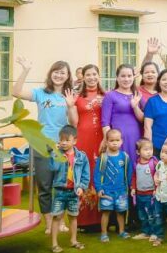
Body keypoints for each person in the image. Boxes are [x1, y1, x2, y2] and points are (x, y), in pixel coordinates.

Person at [12, 57, 76, 234]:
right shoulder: (41, 93)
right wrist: (25, 70)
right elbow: (16, 92)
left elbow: (74, 122)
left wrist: (71, 106)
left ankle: (60, 222)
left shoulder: (70, 95)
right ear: (51, 73)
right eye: (56, 71)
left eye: (63, 72)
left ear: (67, 76)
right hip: (41, 145)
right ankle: (49, 224)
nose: (59, 75)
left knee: (62, 186)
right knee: (44, 186)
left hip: (62, 146)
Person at [71, 64, 105, 227]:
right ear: (82, 77)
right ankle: (84, 219)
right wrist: (70, 105)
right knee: (85, 172)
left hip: (102, 139)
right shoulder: (77, 96)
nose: (92, 77)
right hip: (84, 138)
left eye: (94, 74)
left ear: (99, 76)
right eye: (88, 75)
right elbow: (73, 122)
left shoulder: (107, 95)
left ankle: (103, 218)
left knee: (102, 172)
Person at [48, 125, 89, 253]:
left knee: (73, 217)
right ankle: (54, 244)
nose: (64, 143)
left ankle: (73, 240)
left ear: (74, 141)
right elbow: (52, 169)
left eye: (67, 140)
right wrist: (54, 153)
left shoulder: (82, 157)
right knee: (57, 217)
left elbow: (85, 175)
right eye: (61, 140)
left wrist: (82, 187)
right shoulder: (57, 155)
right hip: (60, 191)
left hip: (73, 192)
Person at [102, 64, 144, 170]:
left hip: (135, 136)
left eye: (129, 76)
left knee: (134, 165)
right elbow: (105, 122)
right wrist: (109, 141)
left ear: (133, 77)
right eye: (123, 76)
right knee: (118, 166)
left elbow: (143, 119)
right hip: (117, 139)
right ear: (117, 78)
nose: (126, 79)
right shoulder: (110, 95)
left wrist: (135, 107)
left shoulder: (137, 95)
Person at [93, 128, 132, 242]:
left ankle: (121, 231)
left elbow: (128, 172)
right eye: (111, 140)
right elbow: (97, 174)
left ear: (121, 141)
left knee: (121, 212)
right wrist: (99, 188)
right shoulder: (103, 157)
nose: (115, 142)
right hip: (107, 191)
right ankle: (104, 233)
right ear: (106, 142)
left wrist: (128, 186)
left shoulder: (124, 156)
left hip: (121, 190)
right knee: (106, 212)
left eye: (117, 140)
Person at [131, 138, 159, 243]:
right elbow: (134, 176)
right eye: (146, 149)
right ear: (138, 152)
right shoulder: (136, 164)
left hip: (150, 194)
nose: (149, 152)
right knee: (142, 215)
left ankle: (154, 233)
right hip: (139, 194)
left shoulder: (154, 163)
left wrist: (156, 189)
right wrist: (133, 188)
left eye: (150, 149)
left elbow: (158, 177)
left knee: (151, 214)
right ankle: (145, 232)